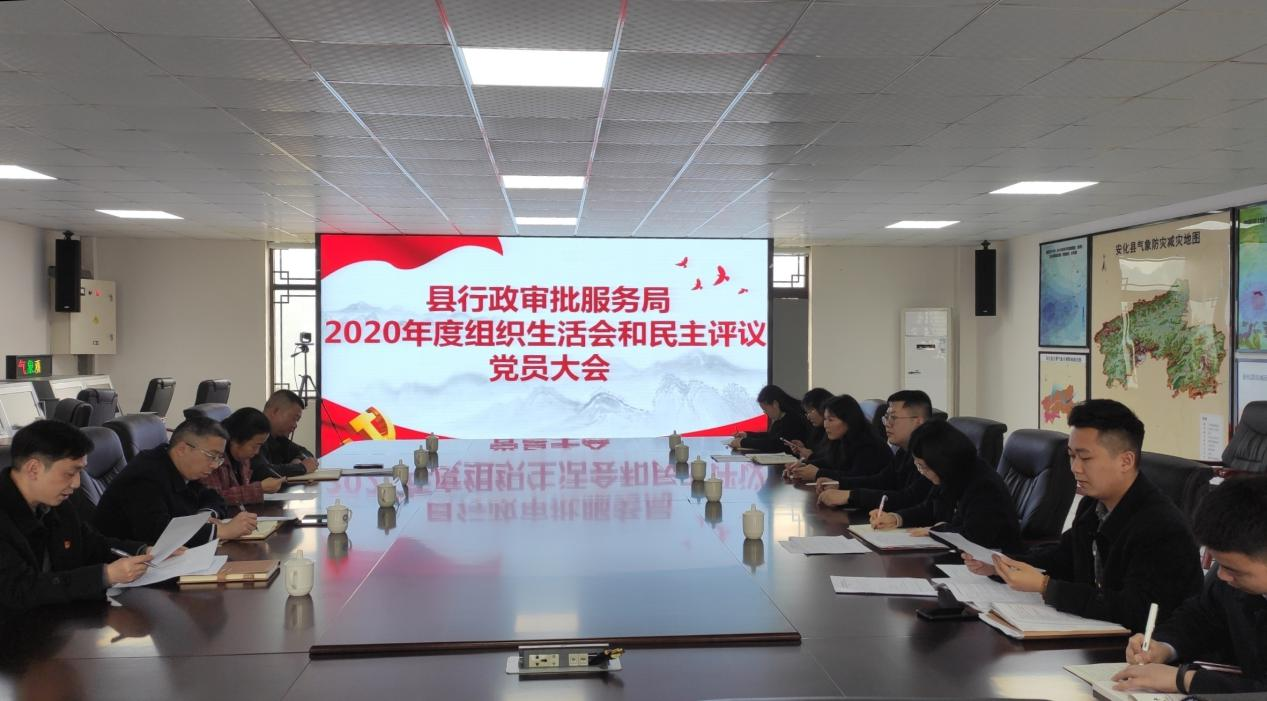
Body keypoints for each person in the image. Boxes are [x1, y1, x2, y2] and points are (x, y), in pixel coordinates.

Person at [963, 399, 1202, 631]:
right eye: (1071, 455)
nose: (1074, 467)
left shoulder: (1162, 527)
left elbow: (1137, 611)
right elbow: (1064, 558)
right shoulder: (1092, 505)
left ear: (1126, 461)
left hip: (1139, 649)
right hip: (1095, 634)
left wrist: (1046, 587)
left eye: (1085, 457)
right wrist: (1003, 565)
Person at [1111, 475, 1267, 694]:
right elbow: (1200, 617)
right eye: (1217, 563)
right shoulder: (1234, 583)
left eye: (1232, 569)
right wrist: (1163, 647)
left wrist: (1184, 680)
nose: (1221, 575)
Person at [0, 421, 153, 612]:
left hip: (59, 619)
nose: (76, 483)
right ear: (33, 469)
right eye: (70, 473)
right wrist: (105, 576)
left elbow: (93, 545)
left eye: (80, 472)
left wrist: (144, 551)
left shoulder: (58, 505)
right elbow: (18, 589)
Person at [94, 417, 258, 546]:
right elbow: (156, 533)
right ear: (182, 449)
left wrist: (205, 515)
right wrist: (221, 531)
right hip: (126, 568)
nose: (215, 465)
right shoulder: (145, 476)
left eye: (219, 458)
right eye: (211, 456)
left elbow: (212, 496)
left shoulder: (180, 467)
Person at [869, 420, 1021, 550]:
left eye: (923, 466)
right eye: (917, 464)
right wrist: (896, 518)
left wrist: (937, 530)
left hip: (996, 562)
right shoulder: (952, 473)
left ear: (941, 463)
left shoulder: (984, 486)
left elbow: (975, 536)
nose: (921, 471)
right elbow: (931, 508)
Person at [816, 390, 933, 511]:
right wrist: (840, 484)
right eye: (886, 417)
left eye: (893, 417)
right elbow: (881, 481)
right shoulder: (904, 451)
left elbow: (909, 499)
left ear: (918, 422)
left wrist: (850, 496)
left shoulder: (932, 455)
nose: (887, 424)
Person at [787, 394, 890, 482]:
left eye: (831, 420)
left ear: (848, 420)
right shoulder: (842, 438)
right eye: (825, 419)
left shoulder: (868, 444)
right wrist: (803, 465)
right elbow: (830, 462)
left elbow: (856, 477)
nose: (825, 425)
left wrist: (818, 473)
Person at [200, 408, 284, 505]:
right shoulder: (212, 458)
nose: (257, 452)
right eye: (254, 446)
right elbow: (215, 498)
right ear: (235, 440)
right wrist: (259, 489)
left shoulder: (243, 458)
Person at [727, 385, 811, 453]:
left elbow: (775, 444)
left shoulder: (794, 418)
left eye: (765, 409)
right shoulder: (781, 418)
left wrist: (743, 442)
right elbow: (771, 436)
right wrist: (747, 435)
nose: (765, 413)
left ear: (775, 404)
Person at [259, 390, 318, 477]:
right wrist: (301, 468)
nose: (295, 425)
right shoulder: (254, 433)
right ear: (275, 411)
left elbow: (305, 453)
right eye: (294, 418)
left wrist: (298, 459)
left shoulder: (279, 438)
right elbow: (263, 471)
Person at [788, 388, 833, 461]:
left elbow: (832, 462)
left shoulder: (834, 432)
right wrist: (803, 449)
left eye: (811, 411)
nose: (808, 417)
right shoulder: (817, 429)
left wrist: (811, 456)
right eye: (807, 412)